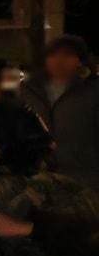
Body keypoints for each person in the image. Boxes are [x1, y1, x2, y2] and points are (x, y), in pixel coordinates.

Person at [19, 35, 99, 188]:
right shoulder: (28, 90)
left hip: (83, 180)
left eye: (68, 55)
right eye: (53, 55)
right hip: (37, 181)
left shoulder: (92, 91)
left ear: (79, 61)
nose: (59, 61)